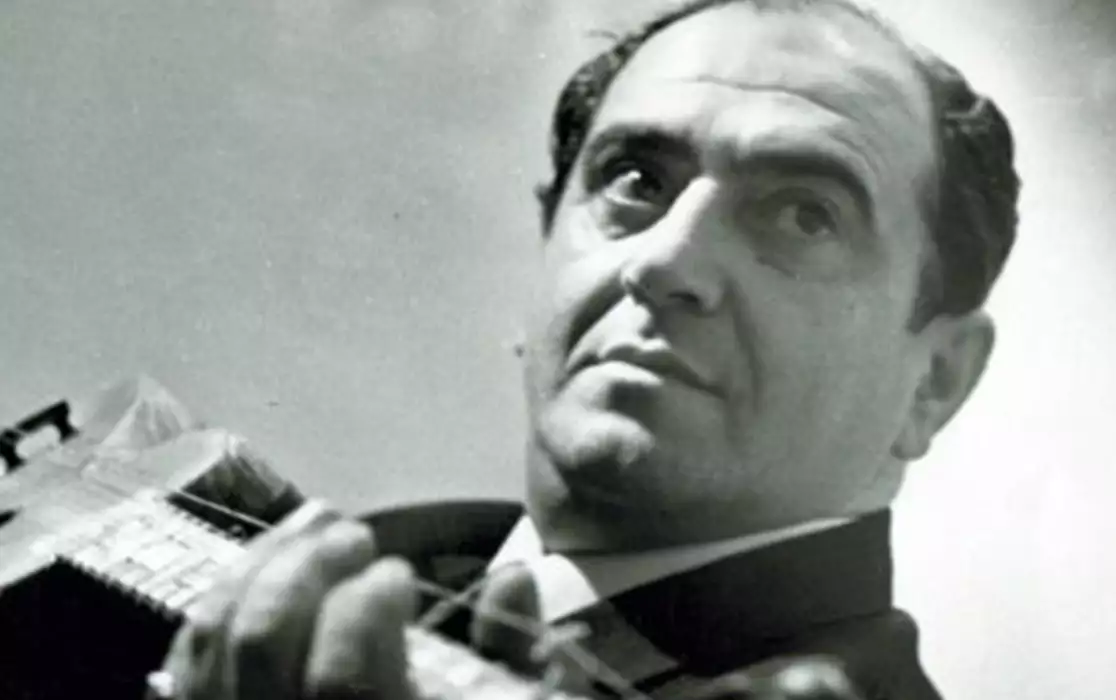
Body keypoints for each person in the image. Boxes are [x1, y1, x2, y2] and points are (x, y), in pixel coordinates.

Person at [151, 0, 1020, 697]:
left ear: (935, 384)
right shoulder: (364, 557)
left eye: (805, 215)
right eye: (637, 181)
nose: (665, 260)